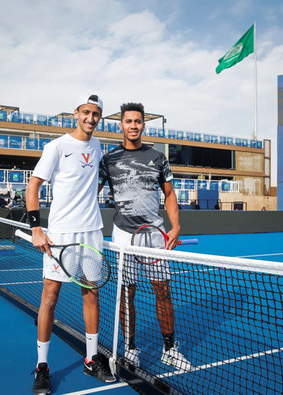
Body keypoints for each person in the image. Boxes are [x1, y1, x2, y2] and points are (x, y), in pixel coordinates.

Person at [26, 94, 114, 394]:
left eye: (97, 114)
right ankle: (41, 366)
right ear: (76, 113)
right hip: (61, 234)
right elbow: (33, 185)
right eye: (87, 112)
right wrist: (36, 228)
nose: (91, 118)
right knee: (50, 296)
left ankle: (91, 359)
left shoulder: (98, 145)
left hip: (92, 233)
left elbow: (93, 181)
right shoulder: (56, 147)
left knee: (91, 293)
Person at [98, 102, 192, 371]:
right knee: (127, 293)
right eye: (129, 121)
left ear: (142, 125)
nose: (133, 126)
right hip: (124, 235)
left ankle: (170, 349)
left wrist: (175, 227)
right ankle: (130, 348)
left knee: (163, 291)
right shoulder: (109, 160)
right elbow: (91, 191)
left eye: (138, 121)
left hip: (155, 234)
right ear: (121, 126)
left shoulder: (157, 157)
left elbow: (170, 194)